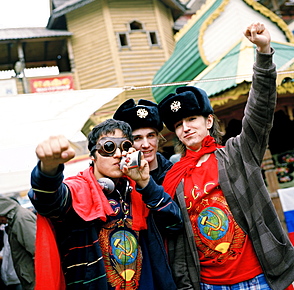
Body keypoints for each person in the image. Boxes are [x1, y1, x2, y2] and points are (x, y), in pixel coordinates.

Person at [158, 22, 294, 290]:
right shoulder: (173, 178)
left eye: (191, 118)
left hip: (257, 278)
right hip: (209, 284)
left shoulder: (236, 154)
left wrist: (264, 53)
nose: (185, 127)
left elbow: (259, 111)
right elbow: (178, 242)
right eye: (177, 124)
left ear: (209, 121)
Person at [28, 118, 182, 289]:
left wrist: (146, 184)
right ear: (93, 155)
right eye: (108, 147)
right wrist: (48, 169)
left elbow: (174, 224)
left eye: (124, 147)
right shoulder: (78, 190)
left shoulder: (137, 191)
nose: (117, 154)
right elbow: (48, 200)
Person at [113, 99, 173, 184]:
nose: (146, 145)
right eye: (137, 138)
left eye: (150, 136)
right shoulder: (119, 179)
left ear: (158, 138)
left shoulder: (175, 172)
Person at [0, 197, 36, 290]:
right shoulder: (16, 218)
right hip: (29, 277)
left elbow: (36, 250)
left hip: (33, 278)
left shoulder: (21, 219)